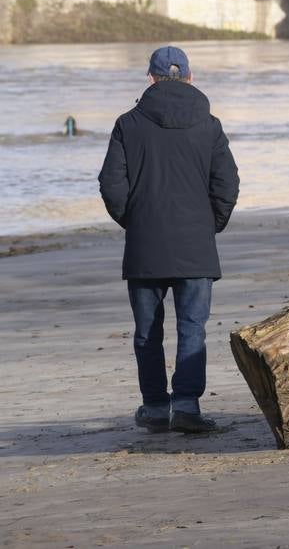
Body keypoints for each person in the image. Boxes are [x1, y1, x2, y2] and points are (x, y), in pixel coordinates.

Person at [98, 47, 239, 435]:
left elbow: (111, 184)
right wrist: (211, 225)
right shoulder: (209, 124)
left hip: (146, 245)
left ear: (151, 78)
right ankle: (187, 406)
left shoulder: (128, 124)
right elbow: (227, 184)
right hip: (196, 245)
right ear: (190, 77)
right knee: (192, 328)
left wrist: (134, 220)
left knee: (148, 332)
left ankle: (157, 407)